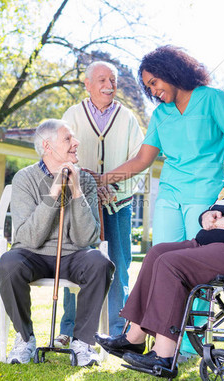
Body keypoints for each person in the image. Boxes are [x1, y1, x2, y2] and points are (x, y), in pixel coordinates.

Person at [95, 118, 224, 375]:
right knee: (157, 253)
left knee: (171, 263)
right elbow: (215, 212)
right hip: (210, 246)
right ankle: (134, 337)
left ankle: (164, 355)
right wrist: (207, 217)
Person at [96, 45, 224, 355]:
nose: (153, 90)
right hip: (170, 194)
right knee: (161, 262)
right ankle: (149, 336)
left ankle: (189, 344)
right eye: (148, 86)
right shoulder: (160, 114)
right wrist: (103, 179)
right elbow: (142, 159)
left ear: (173, 71)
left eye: (155, 82)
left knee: (196, 267)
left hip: (204, 194)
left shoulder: (212, 98)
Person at [0, 119, 115, 366]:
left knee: (99, 262)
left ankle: (82, 343)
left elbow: (86, 239)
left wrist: (77, 191)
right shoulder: (24, 179)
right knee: (8, 264)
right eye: (68, 139)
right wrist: (53, 194)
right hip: (32, 255)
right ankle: (25, 339)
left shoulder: (87, 181)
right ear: (48, 146)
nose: (76, 143)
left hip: (74, 256)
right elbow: (29, 238)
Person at [54, 61, 146, 345]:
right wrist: (88, 183)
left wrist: (109, 184)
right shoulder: (72, 115)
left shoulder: (128, 117)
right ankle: (68, 330)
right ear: (88, 84)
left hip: (118, 203)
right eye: (102, 79)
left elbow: (139, 159)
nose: (109, 85)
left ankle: (119, 330)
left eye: (113, 80)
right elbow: (60, 154)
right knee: (76, 264)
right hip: (80, 206)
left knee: (119, 265)